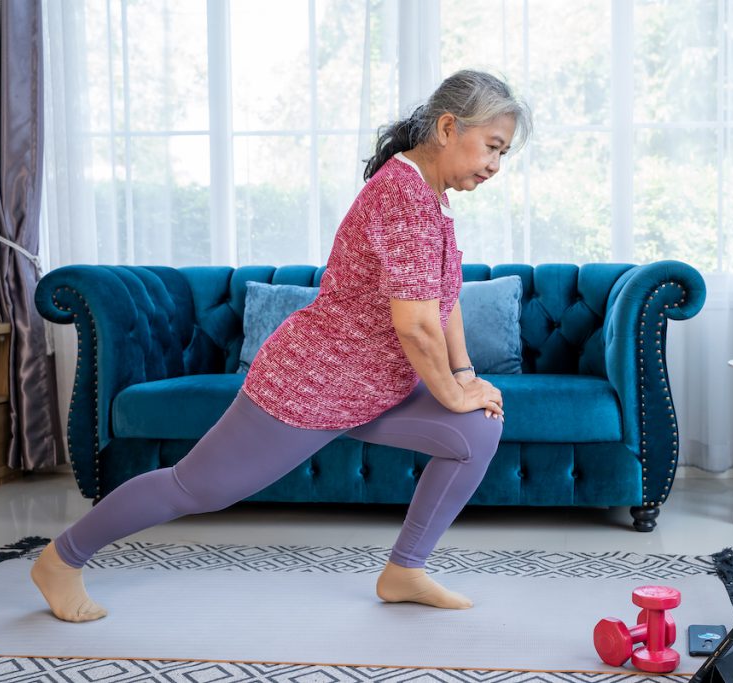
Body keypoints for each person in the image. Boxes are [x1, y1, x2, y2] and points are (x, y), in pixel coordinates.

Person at [30, 69, 533, 622]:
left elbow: (444, 295)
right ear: (446, 127)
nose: (495, 166)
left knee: (477, 427)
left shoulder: (432, 199)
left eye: (503, 154)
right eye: (492, 147)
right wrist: (453, 391)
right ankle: (62, 559)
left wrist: (463, 377)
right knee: (197, 488)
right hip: (311, 385)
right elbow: (414, 325)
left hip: (376, 389)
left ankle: (405, 571)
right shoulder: (402, 197)